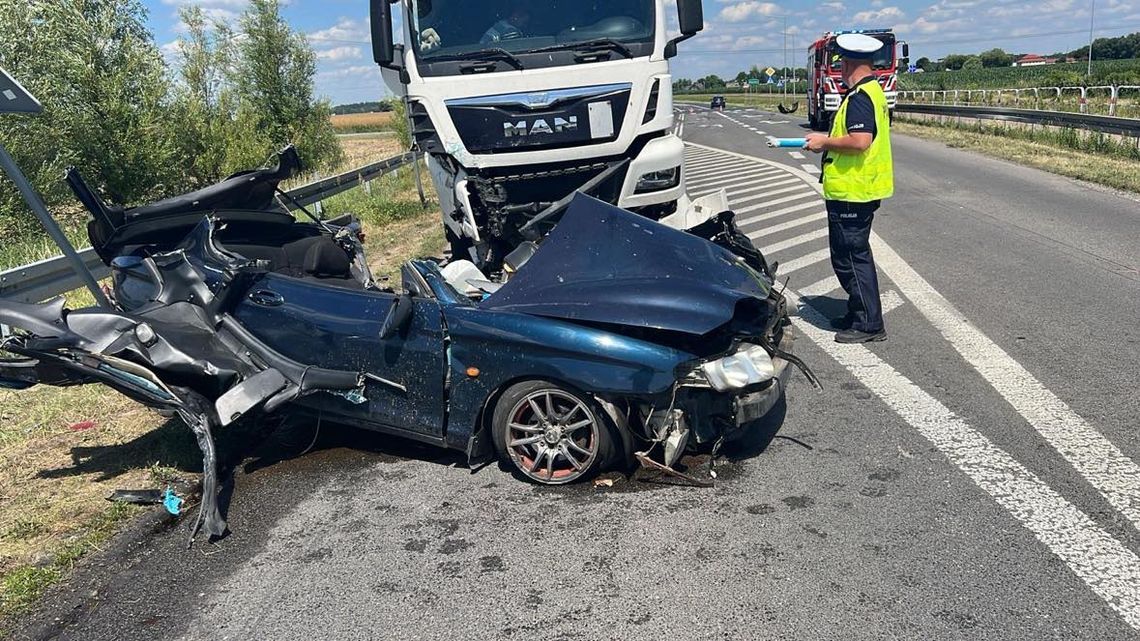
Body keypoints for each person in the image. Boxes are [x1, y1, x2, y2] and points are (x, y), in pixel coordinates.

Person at [804, 33, 894, 344]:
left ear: (850, 64)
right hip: (860, 189)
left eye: (841, 65)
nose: (840, 71)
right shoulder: (873, 91)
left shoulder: (859, 98)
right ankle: (859, 313)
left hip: (853, 191)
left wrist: (823, 142)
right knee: (851, 255)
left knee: (851, 258)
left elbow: (860, 141)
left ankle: (869, 323)